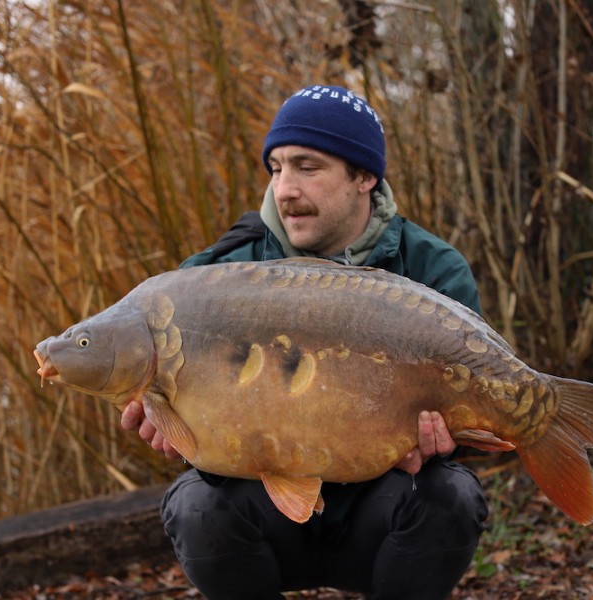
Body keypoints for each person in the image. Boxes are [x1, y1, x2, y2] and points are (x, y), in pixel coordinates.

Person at [120, 84, 488, 600]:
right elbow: (196, 427)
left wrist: (452, 440)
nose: (284, 189)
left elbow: (473, 423)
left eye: (307, 167)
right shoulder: (212, 278)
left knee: (451, 495)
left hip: (381, 512)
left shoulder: (432, 271)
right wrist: (176, 432)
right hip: (264, 518)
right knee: (195, 505)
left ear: (364, 176)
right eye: (276, 168)